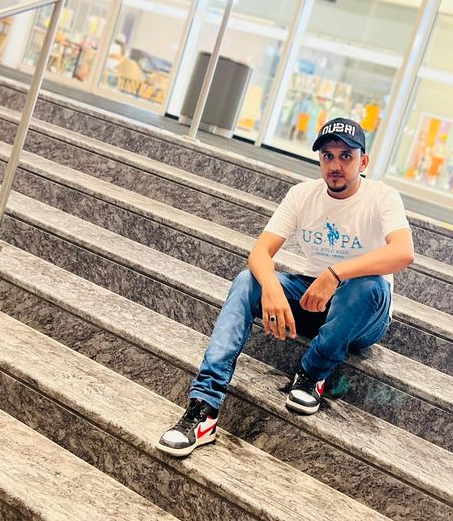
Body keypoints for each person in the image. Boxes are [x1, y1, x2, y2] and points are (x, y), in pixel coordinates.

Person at [158, 118, 414, 457]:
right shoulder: (302, 195)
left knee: (366, 285)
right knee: (247, 280)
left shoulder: (382, 197)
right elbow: (260, 253)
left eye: (346, 156)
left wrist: (335, 273)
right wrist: (271, 289)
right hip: (310, 298)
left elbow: (403, 252)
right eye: (327, 156)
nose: (335, 165)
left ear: (363, 161)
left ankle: (311, 374)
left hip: (362, 312)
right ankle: (204, 406)